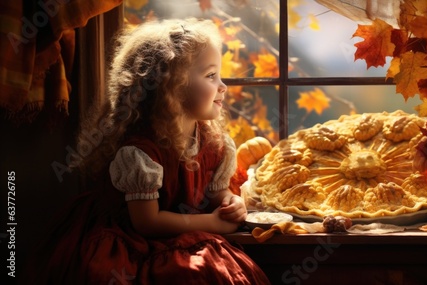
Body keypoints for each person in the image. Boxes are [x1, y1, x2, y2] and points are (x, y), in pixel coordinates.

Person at [21, 18, 270, 284]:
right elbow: (147, 222)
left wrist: (230, 202)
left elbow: (215, 192)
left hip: (184, 231)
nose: (223, 86)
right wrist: (213, 223)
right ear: (170, 86)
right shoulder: (140, 152)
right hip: (128, 241)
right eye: (211, 76)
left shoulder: (214, 142)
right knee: (190, 272)